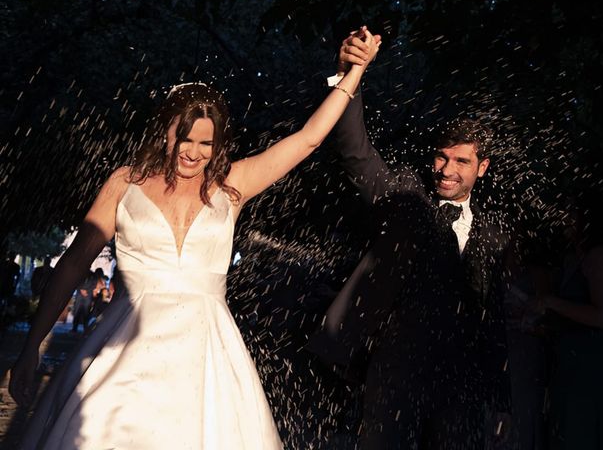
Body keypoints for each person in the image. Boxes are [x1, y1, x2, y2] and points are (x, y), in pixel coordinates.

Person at [9, 31, 379, 450]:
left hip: (209, 364)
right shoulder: (123, 184)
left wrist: (355, 72)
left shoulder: (233, 185)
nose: (193, 152)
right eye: (184, 138)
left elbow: (309, 137)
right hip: (123, 357)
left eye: (206, 142)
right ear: (164, 130)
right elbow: (73, 264)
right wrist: (31, 347)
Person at [307, 31, 511, 449]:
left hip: (462, 388)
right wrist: (351, 75)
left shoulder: (495, 234)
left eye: (461, 160)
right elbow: (355, 151)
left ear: (483, 167)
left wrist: (499, 397)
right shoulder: (403, 195)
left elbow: (492, 319)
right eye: (441, 156)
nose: (446, 169)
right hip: (395, 374)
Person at [535, 197, 603, 449]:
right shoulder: (573, 258)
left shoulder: (599, 256)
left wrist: (551, 302)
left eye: (570, 213)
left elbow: (602, 317)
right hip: (574, 367)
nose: (563, 218)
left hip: (595, 371)